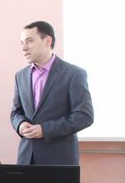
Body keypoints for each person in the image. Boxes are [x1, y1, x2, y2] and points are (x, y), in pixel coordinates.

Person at [10, 21, 94, 165]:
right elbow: (16, 112)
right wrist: (20, 124)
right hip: (26, 158)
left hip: (59, 160)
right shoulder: (20, 76)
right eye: (22, 43)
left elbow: (84, 116)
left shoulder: (74, 74)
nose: (24, 48)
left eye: (29, 41)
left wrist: (45, 130)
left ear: (47, 41)